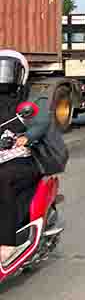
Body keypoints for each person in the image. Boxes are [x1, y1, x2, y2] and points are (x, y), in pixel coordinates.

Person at [0, 50, 51, 264]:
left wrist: (26, 137)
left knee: (2, 179)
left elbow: (41, 122)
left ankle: (7, 244)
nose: (4, 76)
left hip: (23, 159)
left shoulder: (31, 97)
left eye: (8, 70)